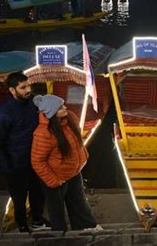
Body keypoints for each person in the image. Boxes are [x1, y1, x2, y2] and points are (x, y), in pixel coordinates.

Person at [31, 94, 102, 232]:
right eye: (60, 107)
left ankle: (86, 227)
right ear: (51, 113)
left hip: (74, 172)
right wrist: (53, 181)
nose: (65, 107)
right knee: (56, 209)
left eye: (63, 104)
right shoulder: (43, 133)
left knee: (78, 201)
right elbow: (37, 161)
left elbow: (77, 142)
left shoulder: (70, 117)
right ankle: (60, 234)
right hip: (57, 177)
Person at [0, 72, 50, 233]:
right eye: (23, 87)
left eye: (29, 85)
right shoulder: (2, 114)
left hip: (36, 160)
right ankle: (22, 226)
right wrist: (8, 168)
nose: (28, 90)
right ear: (12, 90)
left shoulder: (33, 103)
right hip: (16, 164)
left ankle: (38, 220)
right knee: (19, 198)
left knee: (38, 194)